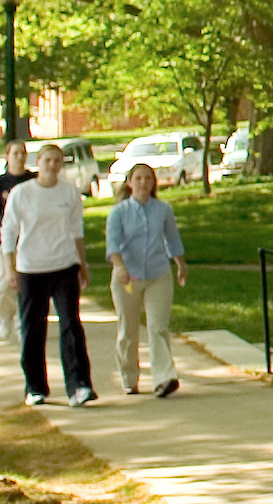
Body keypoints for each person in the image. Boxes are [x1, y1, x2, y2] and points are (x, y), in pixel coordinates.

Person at [0, 144, 96, 407]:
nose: (52, 165)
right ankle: (35, 386)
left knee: (70, 324)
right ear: (38, 162)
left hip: (64, 265)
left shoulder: (69, 191)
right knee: (33, 327)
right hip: (31, 268)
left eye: (57, 161)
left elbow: (77, 229)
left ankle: (79, 386)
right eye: (47, 160)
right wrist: (9, 267)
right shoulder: (22, 193)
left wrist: (82, 264)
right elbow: (7, 231)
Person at [104, 162, 185, 398]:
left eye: (148, 179)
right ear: (130, 183)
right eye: (138, 179)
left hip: (158, 275)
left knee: (158, 327)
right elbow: (113, 245)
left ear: (153, 183)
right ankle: (129, 378)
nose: (143, 183)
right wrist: (119, 267)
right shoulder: (119, 212)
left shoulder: (163, 209)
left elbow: (173, 240)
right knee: (128, 330)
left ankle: (164, 377)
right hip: (127, 277)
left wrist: (181, 265)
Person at [0, 140, 36, 342]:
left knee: (28, 282)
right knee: (7, 282)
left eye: (23, 153)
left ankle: (24, 319)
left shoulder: (33, 181)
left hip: (30, 239)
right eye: (15, 153)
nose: (20, 157)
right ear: (7, 156)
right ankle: (5, 316)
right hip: (5, 242)